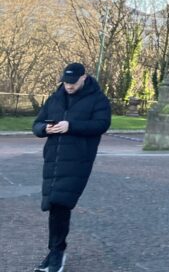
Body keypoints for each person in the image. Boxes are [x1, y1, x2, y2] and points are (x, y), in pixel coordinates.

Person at [31, 63, 111, 272]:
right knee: (53, 204)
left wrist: (71, 126)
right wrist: (45, 128)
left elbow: (101, 124)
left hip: (78, 159)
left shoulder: (98, 99)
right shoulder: (55, 98)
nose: (69, 86)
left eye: (73, 82)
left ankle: (57, 252)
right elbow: (36, 125)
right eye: (66, 82)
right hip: (53, 159)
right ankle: (54, 252)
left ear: (84, 77)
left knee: (61, 203)